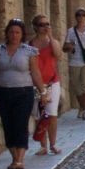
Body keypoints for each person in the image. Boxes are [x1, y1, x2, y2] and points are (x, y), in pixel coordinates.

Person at [0, 19, 38, 169]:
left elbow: (35, 72)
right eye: (11, 32)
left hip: (24, 92)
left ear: (22, 34)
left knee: (20, 124)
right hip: (3, 92)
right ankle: (14, 157)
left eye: (17, 32)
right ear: (7, 33)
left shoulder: (28, 51)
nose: (14, 35)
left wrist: (43, 91)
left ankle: (20, 159)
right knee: (8, 125)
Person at [30, 15, 62, 154]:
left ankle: (53, 144)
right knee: (39, 115)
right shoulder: (30, 45)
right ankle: (43, 145)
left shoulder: (52, 42)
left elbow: (58, 55)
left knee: (52, 113)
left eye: (47, 24)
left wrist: (51, 37)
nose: (45, 27)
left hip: (52, 82)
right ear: (35, 27)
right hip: (36, 84)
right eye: (41, 24)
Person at [64, 8, 85, 121]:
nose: (81, 17)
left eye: (83, 15)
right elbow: (64, 48)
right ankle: (82, 107)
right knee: (76, 87)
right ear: (76, 17)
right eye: (78, 15)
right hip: (75, 62)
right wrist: (70, 46)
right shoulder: (70, 31)